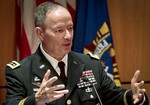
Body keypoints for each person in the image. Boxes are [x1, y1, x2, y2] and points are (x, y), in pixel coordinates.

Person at [5, 1, 149, 105]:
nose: (68, 36)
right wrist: (36, 100)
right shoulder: (21, 72)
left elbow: (115, 97)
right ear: (40, 33)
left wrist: (134, 96)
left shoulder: (90, 64)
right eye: (59, 30)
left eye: (70, 28)